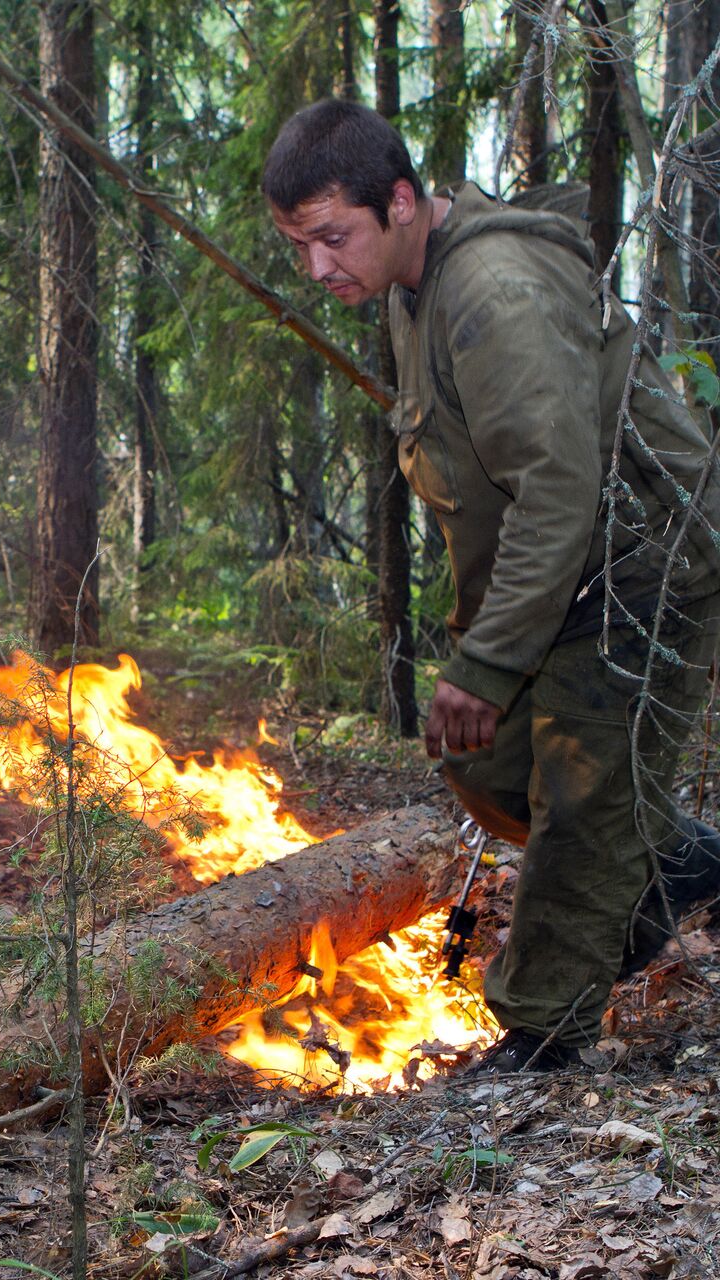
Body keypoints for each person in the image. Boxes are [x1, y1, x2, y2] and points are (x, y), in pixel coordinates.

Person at [262, 98, 720, 1073]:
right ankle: (676, 861)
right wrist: (481, 660)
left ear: (396, 201)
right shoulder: (402, 288)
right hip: (564, 574)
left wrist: (488, 658)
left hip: (642, 567)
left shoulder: (490, 292)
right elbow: (478, 491)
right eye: (299, 246)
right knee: (478, 754)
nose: (315, 268)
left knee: (580, 790)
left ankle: (540, 1036)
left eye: (330, 237)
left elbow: (555, 487)